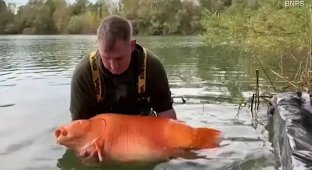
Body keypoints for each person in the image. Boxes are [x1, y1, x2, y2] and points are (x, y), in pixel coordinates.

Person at [69, 15, 177, 120]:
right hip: (104, 134)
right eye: (106, 58)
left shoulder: (152, 66)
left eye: (119, 59)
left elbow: (166, 112)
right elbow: (79, 126)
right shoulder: (84, 74)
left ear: (132, 46)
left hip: (142, 130)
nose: (113, 66)